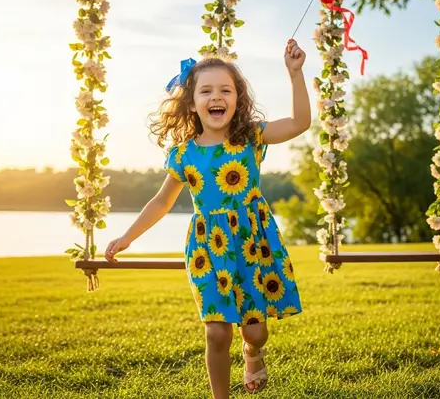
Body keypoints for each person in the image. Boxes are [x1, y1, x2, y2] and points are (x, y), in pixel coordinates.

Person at [105, 39, 311, 399]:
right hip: (208, 246)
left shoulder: (251, 137)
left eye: (226, 90)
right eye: (207, 90)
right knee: (217, 332)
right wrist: (127, 237)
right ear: (193, 102)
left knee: (255, 332)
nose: (217, 97)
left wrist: (295, 74)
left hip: (252, 242)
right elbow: (160, 203)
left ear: (237, 98)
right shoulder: (183, 154)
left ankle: (253, 353)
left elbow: (299, 123)